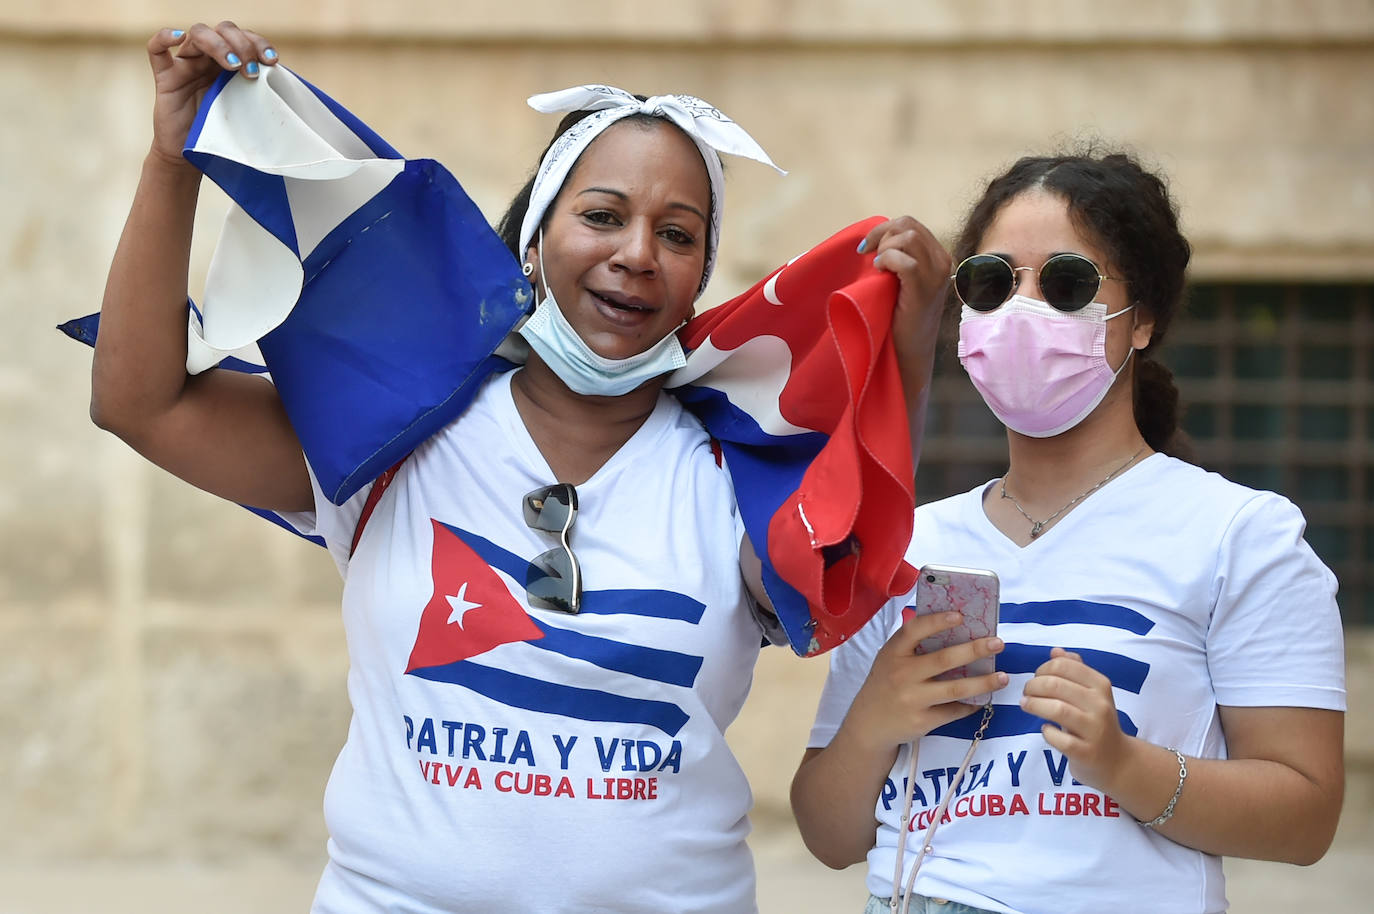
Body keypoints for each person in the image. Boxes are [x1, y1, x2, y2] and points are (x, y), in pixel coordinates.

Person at [89, 21, 951, 913]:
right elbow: (140, 402)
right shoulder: (395, 434)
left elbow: (845, 558)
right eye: (603, 216)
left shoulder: (739, 474)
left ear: (701, 280)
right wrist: (173, 158)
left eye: (678, 234)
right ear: (535, 240)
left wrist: (908, 355)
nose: (637, 253)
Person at [791, 151, 1347, 914]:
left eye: (1066, 283)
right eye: (992, 281)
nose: (1023, 310)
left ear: (1141, 319)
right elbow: (828, 835)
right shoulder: (906, 543)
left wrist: (1125, 764)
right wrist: (873, 722)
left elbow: (1307, 817)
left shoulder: (1241, 536)